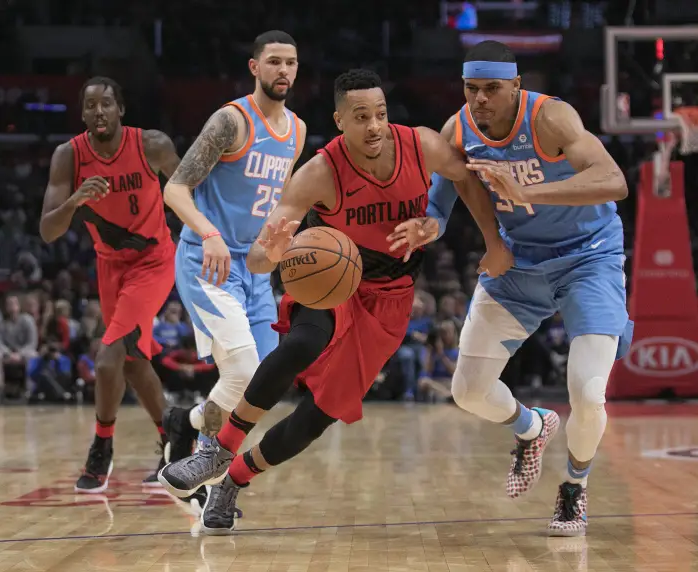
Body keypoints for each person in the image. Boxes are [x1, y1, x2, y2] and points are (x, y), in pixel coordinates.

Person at [158, 68, 513, 535]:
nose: (374, 126)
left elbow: (466, 178)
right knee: (304, 343)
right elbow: (261, 261)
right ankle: (216, 452)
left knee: (319, 415)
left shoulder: (420, 145)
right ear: (340, 121)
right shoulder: (319, 174)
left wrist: (462, 231)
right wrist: (276, 250)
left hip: (391, 298)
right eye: (361, 116)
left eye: (380, 114)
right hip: (335, 283)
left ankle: (234, 482)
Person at [391, 40, 632, 536]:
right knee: (468, 391)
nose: (480, 98)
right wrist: (429, 227)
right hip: (518, 262)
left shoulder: (551, 118)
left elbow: (613, 180)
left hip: (588, 257)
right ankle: (531, 427)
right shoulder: (458, 129)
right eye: (471, 88)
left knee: (587, 392)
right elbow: (441, 199)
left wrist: (530, 192)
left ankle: (574, 488)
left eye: (492, 88)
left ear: (516, 86)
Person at [160, 30, 305, 511]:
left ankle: (190, 422)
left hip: (257, 267)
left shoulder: (298, 131)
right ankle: (205, 462)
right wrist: (210, 233)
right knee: (243, 369)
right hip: (209, 261)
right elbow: (176, 190)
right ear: (254, 67)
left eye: (291, 63)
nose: (284, 71)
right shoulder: (230, 121)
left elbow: (275, 202)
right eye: (275, 62)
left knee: (261, 383)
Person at [40, 76, 181, 492]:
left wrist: (208, 241)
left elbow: (192, 190)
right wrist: (75, 200)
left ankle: (101, 446)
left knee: (107, 360)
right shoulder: (69, 156)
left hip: (154, 260)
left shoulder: (151, 144)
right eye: (90, 106)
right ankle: (175, 441)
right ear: (82, 113)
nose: (97, 112)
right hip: (110, 267)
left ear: (120, 109)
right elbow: (49, 230)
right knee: (135, 362)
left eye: (105, 104)